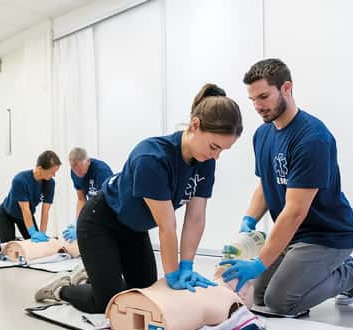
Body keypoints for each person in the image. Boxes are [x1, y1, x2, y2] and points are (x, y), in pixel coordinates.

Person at [35, 84, 243, 313]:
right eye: (214, 147)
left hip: (133, 228)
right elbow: (167, 224)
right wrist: (172, 274)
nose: (216, 156)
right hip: (100, 222)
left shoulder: (205, 161)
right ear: (195, 125)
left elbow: (195, 218)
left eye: (223, 150)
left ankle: (96, 277)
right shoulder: (152, 157)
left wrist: (186, 266)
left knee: (142, 293)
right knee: (107, 302)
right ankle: (62, 288)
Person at [220, 59, 353, 315]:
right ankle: (327, 269)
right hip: (295, 235)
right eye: (252, 100)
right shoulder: (262, 135)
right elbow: (266, 184)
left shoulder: (312, 138)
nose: (258, 106)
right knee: (260, 296)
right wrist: (248, 220)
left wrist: (259, 262)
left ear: (286, 88)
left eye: (263, 96)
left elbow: (295, 212)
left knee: (281, 302)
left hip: (326, 236)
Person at [0, 151, 61, 243]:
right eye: (51, 172)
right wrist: (32, 232)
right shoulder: (20, 180)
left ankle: (20, 240)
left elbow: (45, 211)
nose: (54, 175)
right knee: (8, 248)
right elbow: (25, 209)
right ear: (40, 168)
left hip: (25, 216)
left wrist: (42, 233)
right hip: (7, 214)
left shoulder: (50, 183)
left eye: (55, 172)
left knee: (36, 244)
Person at [62, 148, 113, 242]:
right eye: (75, 171)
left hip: (109, 209)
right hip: (95, 206)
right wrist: (78, 223)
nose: (78, 174)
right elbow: (81, 199)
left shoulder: (101, 171)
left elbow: (105, 203)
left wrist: (86, 226)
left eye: (81, 170)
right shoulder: (74, 172)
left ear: (88, 161)